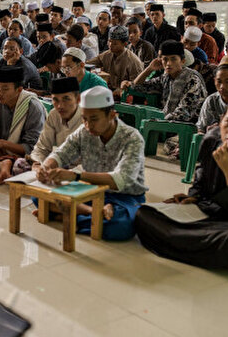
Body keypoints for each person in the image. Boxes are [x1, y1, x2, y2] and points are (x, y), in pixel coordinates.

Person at [135, 92, 228, 278]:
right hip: (213, 214)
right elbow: (200, 183)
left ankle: (227, 254)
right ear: (221, 119)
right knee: (144, 214)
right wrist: (193, 197)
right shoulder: (212, 140)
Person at [37, 86, 147, 241]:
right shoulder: (84, 131)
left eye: (94, 119)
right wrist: (46, 167)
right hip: (90, 191)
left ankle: (65, 214)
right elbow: (61, 154)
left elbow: (120, 180)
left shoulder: (132, 138)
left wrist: (75, 176)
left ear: (112, 115)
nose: (88, 125)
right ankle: (91, 212)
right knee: (38, 196)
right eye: (84, 119)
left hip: (125, 197)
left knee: (121, 226)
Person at [123, 40, 207, 122]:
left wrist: (157, 121)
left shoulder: (192, 80)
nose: (168, 63)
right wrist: (149, 69)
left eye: (173, 59)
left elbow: (184, 113)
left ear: (182, 61)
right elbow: (137, 86)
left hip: (189, 127)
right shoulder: (166, 78)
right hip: (168, 122)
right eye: (165, 59)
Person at [23, 76, 83, 178]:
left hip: (82, 172)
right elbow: (41, 148)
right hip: (56, 168)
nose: (60, 106)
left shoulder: (87, 119)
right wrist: (39, 166)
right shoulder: (54, 114)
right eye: (55, 100)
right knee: (21, 165)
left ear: (78, 99)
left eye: (66, 99)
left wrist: (69, 174)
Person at [87, 25, 144, 98]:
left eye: (115, 43)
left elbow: (137, 84)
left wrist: (122, 90)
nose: (110, 45)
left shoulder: (133, 61)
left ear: (125, 44)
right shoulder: (107, 54)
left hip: (126, 97)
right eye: (109, 41)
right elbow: (89, 63)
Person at [197, 56, 228, 132]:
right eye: (219, 81)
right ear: (214, 81)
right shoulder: (211, 101)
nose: (222, 86)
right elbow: (201, 129)